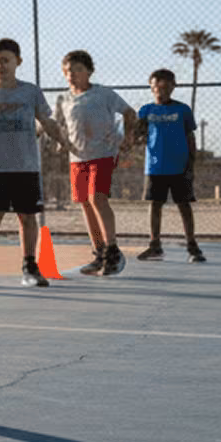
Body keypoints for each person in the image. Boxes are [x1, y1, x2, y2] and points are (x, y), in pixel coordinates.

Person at [0, 38, 76, 288]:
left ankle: (29, 266)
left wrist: (64, 141)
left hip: (26, 165)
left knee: (27, 216)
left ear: (18, 62)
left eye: (5, 60)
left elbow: (46, 121)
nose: (0, 66)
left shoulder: (30, 92)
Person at [54, 50, 136, 277]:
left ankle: (112, 250)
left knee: (96, 198)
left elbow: (129, 113)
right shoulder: (63, 99)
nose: (72, 75)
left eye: (78, 70)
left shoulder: (103, 94)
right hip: (77, 157)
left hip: (103, 154)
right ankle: (99, 252)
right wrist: (59, 141)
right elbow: (58, 124)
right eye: (67, 71)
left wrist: (128, 138)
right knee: (85, 203)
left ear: (89, 71)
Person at [137, 68, 207, 263]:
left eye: (165, 87)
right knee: (155, 205)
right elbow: (137, 135)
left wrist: (191, 163)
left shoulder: (182, 110)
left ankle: (192, 246)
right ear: (151, 87)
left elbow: (190, 136)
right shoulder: (146, 111)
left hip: (179, 166)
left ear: (173, 87)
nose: (161, 91)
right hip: (155, 167)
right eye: (156, 86)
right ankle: (155, 245)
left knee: (184, 205)